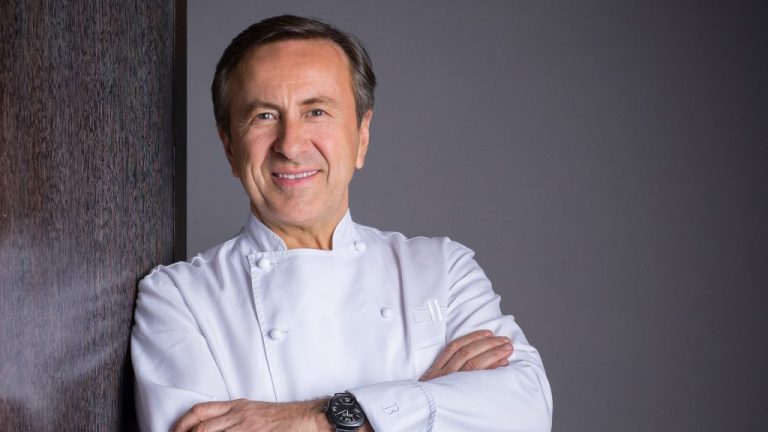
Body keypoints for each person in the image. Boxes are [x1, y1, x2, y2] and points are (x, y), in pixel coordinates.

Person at [131, 15, 552, 432]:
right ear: (229, 146)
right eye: (264, 116)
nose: (291, 145)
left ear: (361, 136)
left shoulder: (443, 269)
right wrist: (421, 400)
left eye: (316, 111)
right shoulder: (177, 298)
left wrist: (312, 418)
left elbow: (526, 411)